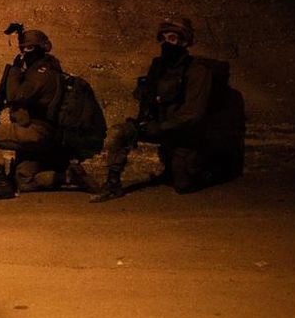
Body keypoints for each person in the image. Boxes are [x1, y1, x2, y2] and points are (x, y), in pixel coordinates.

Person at [91, 17, 243, 201]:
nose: (165, 43)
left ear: (184, 42)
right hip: (161, 128)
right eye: (162, 38)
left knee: (183, 185)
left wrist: (161, 127)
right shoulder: (158, 67)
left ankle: (207, 166)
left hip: (186, 133)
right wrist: (143, 122)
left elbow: (193, 114)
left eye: (172, 38)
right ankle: (112, 184)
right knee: (121, 132)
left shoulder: (197, 71)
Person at [0, 28, 92, 201]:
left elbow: (16, 95)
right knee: (24, 181)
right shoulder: (48, 70)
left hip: (36, 131)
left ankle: (1, 183)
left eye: (29, 48)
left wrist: (15, 70)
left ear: (42, 48)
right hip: (42, 133)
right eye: (22, 49)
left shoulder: (41, 72)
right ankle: (67, 177)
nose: (24, 53)